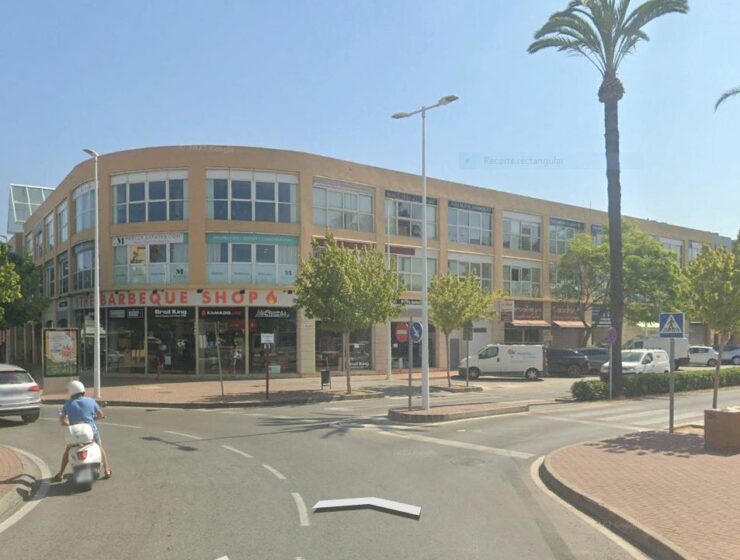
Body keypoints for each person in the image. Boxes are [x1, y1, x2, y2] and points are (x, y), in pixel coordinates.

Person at [52, 380, 111, 481]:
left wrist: (68, 424)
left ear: (71, 391)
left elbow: (62, 420)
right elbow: (100, 415)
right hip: (90, 431)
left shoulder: (68, 404)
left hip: (75, 433)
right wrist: (95, 418)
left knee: (68, 451)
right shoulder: (90, 401)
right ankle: (107, 471)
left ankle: (60, 474)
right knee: (99, 447)